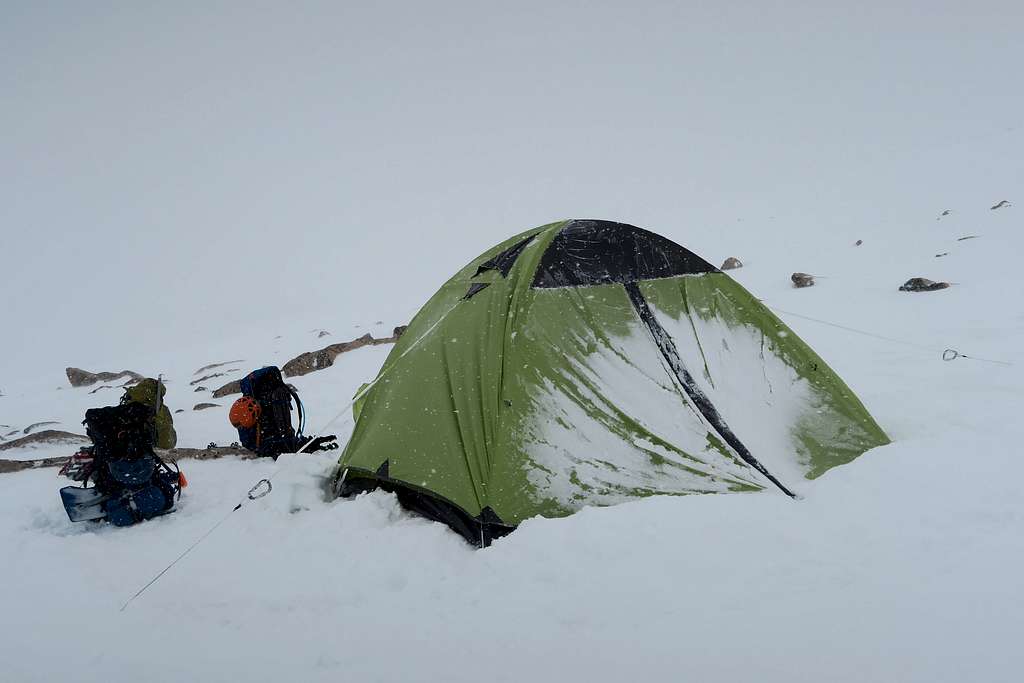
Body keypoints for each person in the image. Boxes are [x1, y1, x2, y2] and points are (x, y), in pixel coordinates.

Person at [228, 366, 337, 459]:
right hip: (269, 439)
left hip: (266, 439)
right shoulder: (256, 402)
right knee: (282, 444)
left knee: (281, 444)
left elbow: (278, 445)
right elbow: (280, 445)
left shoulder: (254, 401)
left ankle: (305, 444)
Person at [122, 377, 177, 449]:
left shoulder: (127, 405)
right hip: (149, 454)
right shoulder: (161, 410)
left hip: (123, 452)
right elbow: (167, 444)